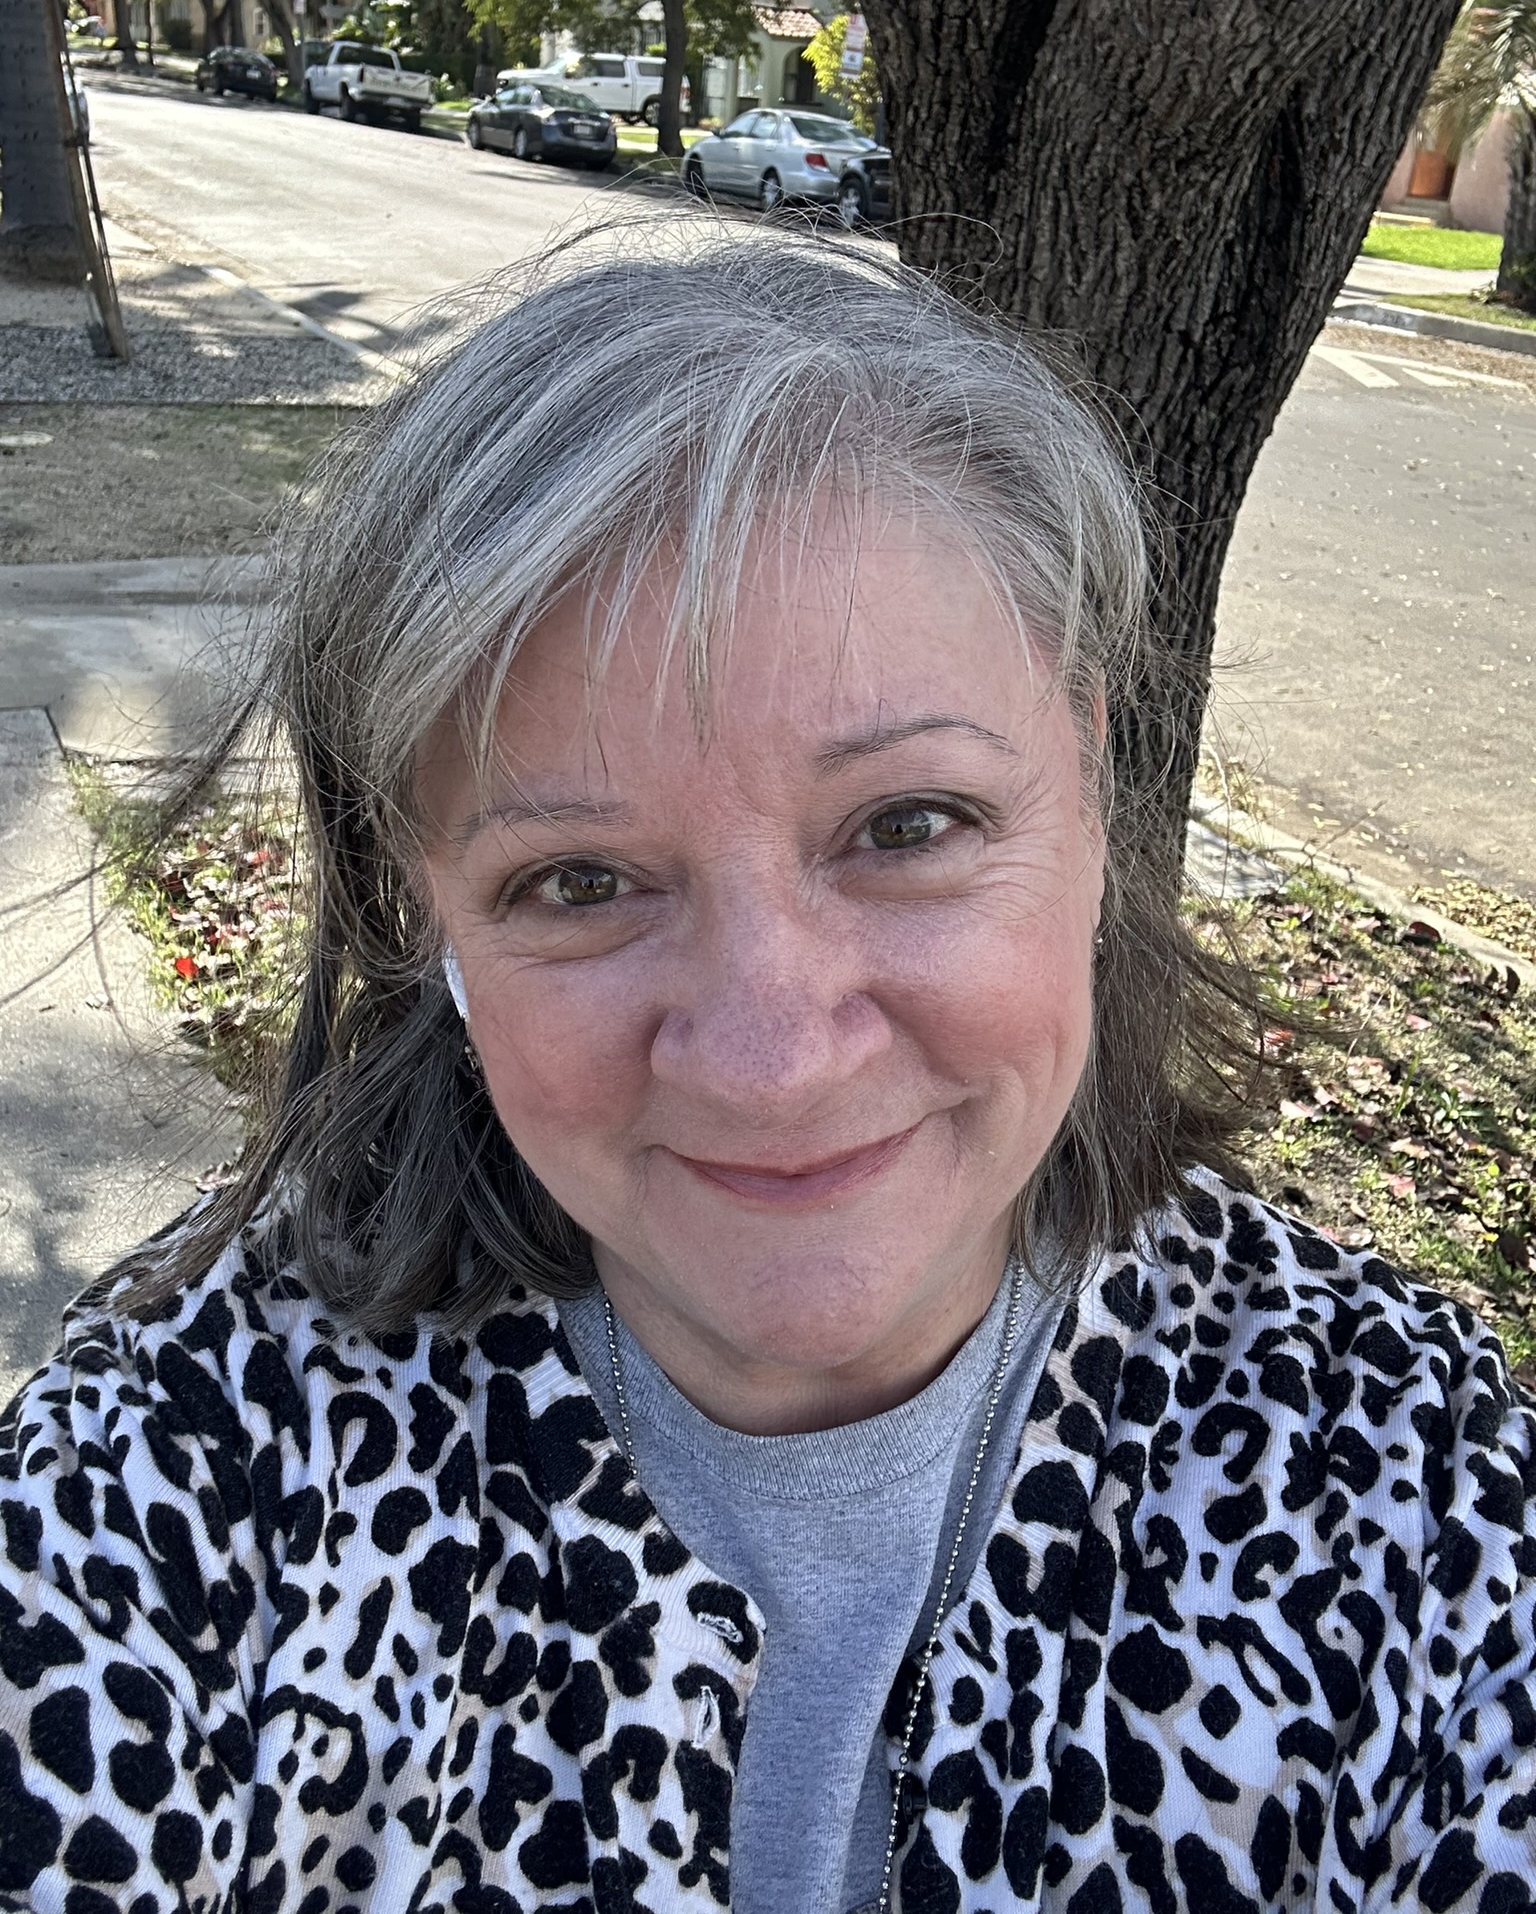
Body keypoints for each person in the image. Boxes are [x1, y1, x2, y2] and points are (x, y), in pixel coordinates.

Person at [0, 226, 1530, 1914]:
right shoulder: (170, 1486)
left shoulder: (1418, 1503)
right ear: (427, 914)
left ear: (1093, 788)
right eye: (578, 881)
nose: (773, 1057)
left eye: (909, 826)